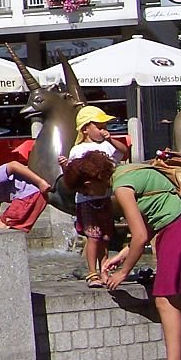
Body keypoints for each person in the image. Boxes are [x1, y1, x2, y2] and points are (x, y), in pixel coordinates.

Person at [103, 158, 181, 360]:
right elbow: (152, 220)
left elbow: (138, 236)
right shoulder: (130, 170)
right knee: (178, 299)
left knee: (165, 299)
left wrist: (123, 272)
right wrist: (122, 255)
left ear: (91, 182)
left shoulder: (121, 187)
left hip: (178, 229)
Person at [63, 105, 129, 286]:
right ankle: (92, 273)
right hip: (87, 200)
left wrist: (112, 139)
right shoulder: (77, 150)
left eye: (105, 127)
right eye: (100, 127)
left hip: (104, 198)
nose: (104, 131)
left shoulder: (107, 146)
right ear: (85, 129)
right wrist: (64, 166)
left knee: (105, 237)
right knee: (93, 236)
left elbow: (123, 152)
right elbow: (72, 175)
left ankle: (104, 270)